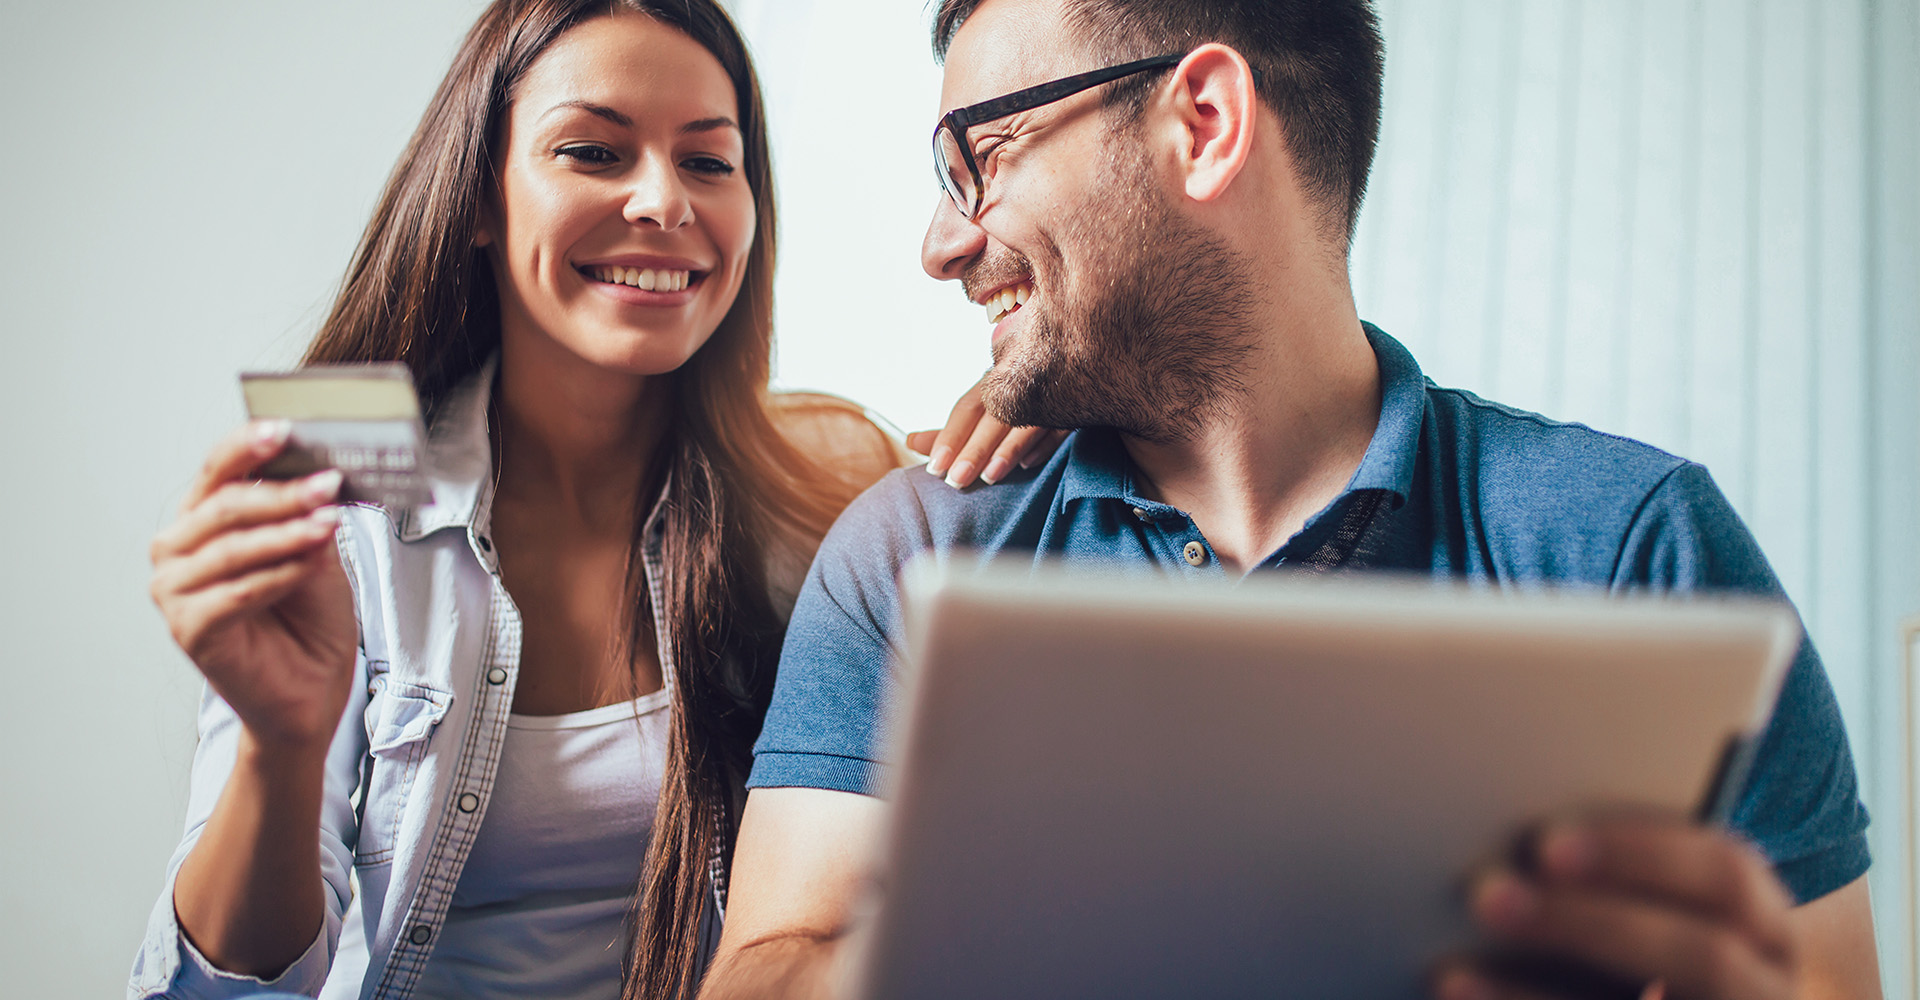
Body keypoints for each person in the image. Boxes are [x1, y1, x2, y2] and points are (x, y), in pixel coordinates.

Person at [700, 2, 1884, 999]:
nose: (942, 243)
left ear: (1204, 124)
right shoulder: (916, 553)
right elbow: (757, 971)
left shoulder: (1637, 546)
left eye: (984, 157)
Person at [129, 2, 1051, 998]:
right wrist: (282, 742)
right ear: (480, 197)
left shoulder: (827, 485)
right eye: (594, 151)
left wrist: (1056, 419)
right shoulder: (343, 493)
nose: (662, 200)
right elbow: (213, 992)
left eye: (708, 161)